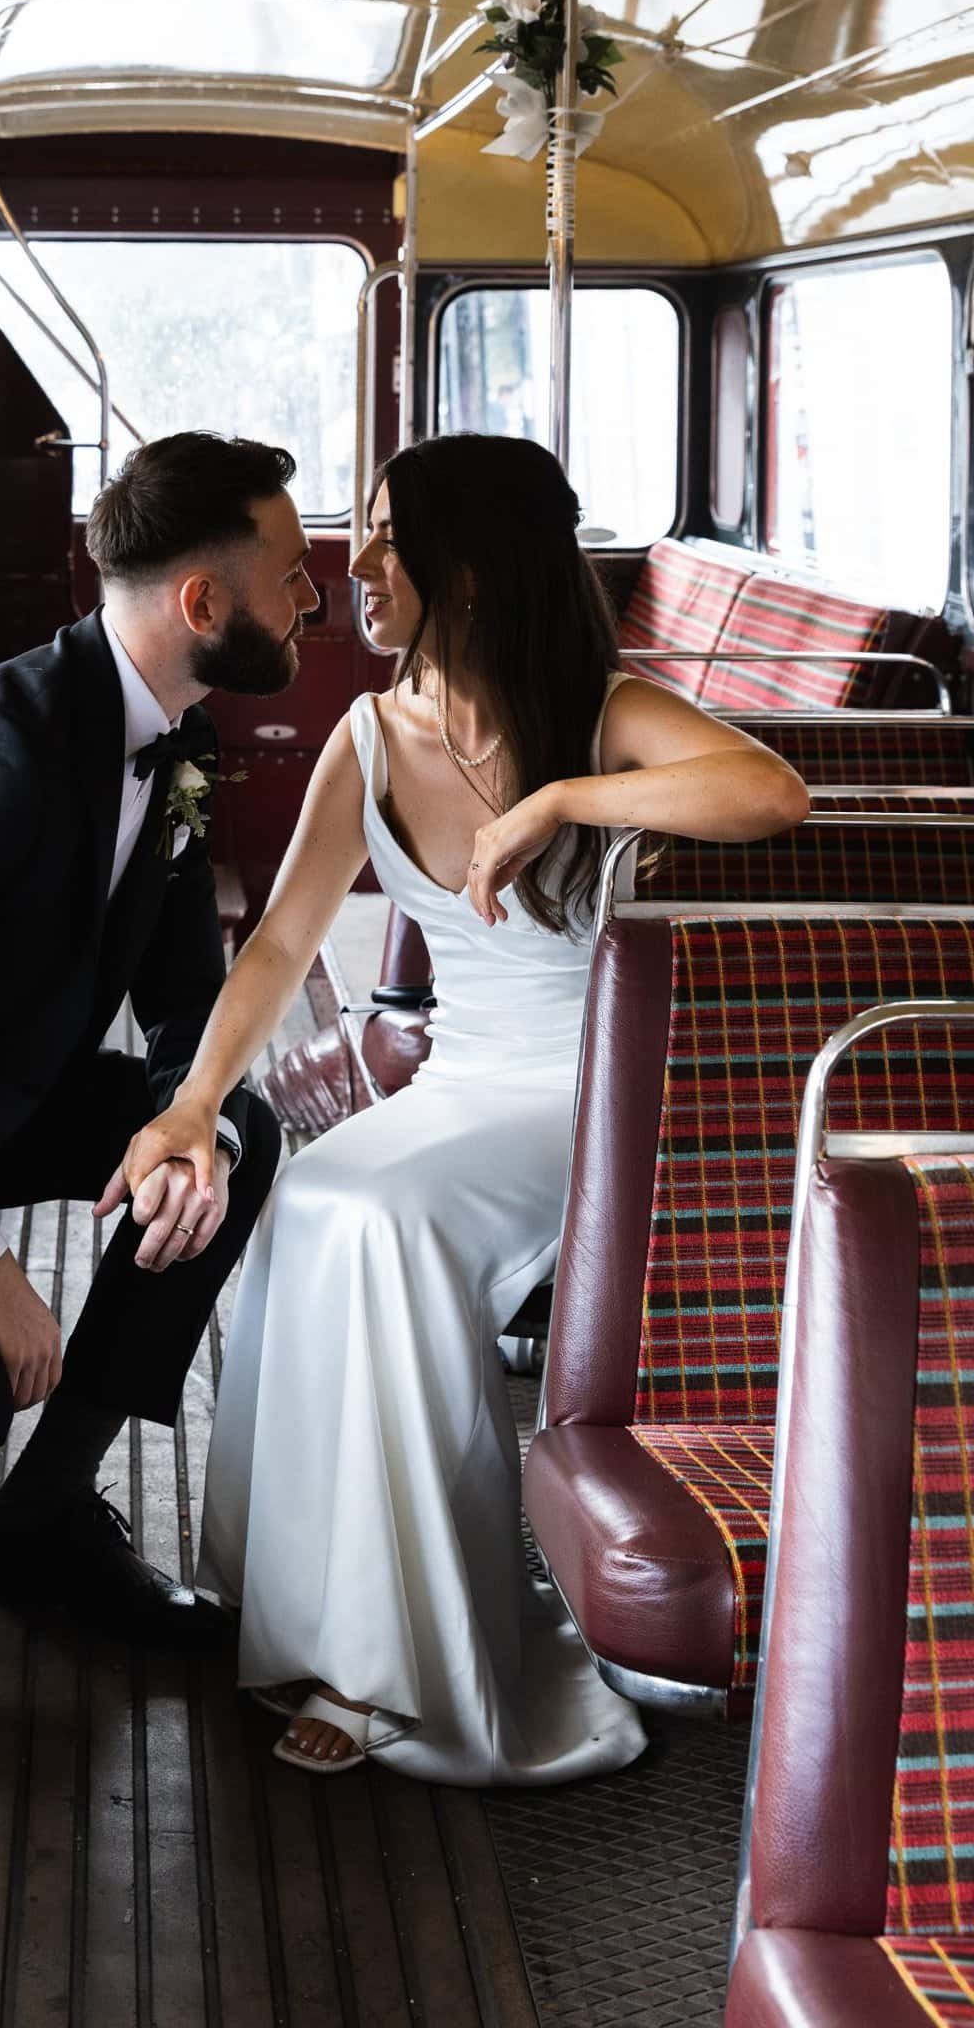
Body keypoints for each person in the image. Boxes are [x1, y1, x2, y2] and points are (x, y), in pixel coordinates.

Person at [109, 434, 810, 1772]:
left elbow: (767, 792)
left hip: (597, 1096)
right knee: (306, 1198)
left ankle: (415, 1669)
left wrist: (559, 801)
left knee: (385, 1221)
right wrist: (195, 1102)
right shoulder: (370, 735)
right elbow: (281, 941)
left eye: (387, 538)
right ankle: (322, 1625)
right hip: (467, 1079)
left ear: (471, 571)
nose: (356, 565)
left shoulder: (601, 711)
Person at [0, 432, 311, 1649]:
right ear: (203, 604)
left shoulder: (179, 733)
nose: (312, 599)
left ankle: (44, 1514)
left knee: (236, 1132)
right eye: (292, 574)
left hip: (0, 1095)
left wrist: (187, 1123)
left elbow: (185, 991)